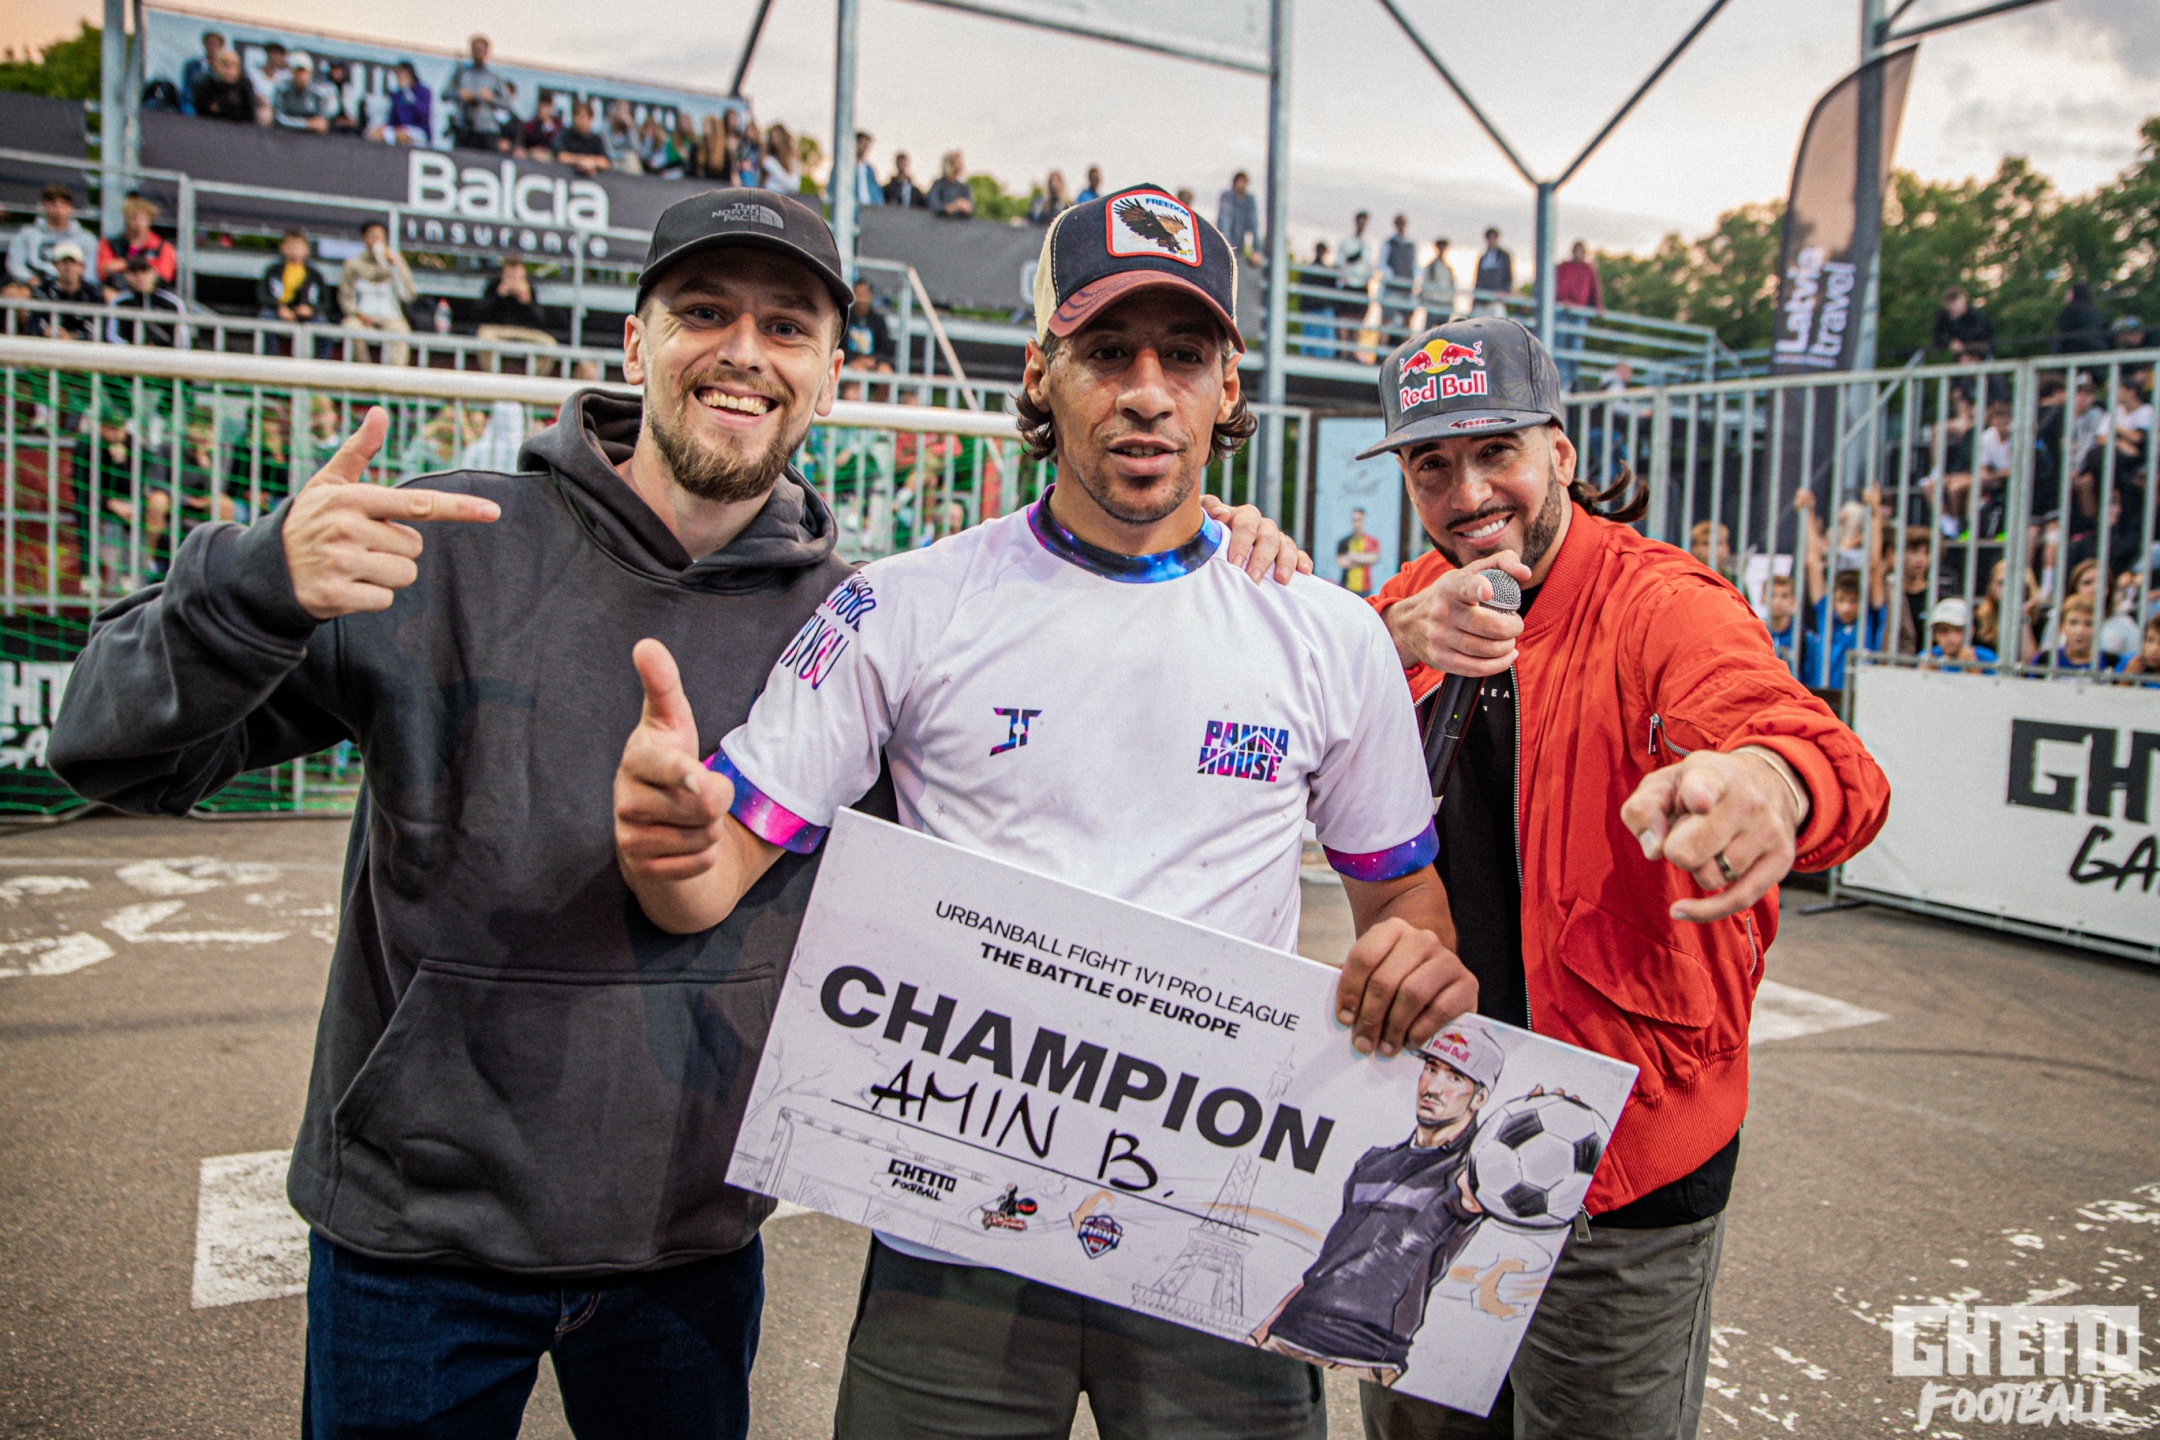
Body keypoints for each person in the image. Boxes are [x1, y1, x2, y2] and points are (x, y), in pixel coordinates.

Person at [613, 183, 1469, 1440]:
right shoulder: (904, 606)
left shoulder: (1328, 635)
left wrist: (1416, 959)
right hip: (950, 1239)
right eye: (1107, 352)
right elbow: (710, 872)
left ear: (1227, 388)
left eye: (1184, 357)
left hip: (1219, 1233)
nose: (1146, 392)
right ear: (1041, 375)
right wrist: (670, 840)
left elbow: (1406, 903)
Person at [50, 186, 870, 1440]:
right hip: (413, 1251)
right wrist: (255, 587)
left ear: (832, 376)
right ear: (636, 343)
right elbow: (104, 751)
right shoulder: (440, 545)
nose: (745, 352)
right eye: (705, 312)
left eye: (788, 326)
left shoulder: (858, 627)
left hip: (686, 1242)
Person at [1358, 315, 1891, 1440]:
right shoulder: (1414, 597)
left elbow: (1801, 740)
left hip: (1620, 1166)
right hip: (1430, 1134)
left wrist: (1768, 783)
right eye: (1432, 464)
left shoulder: (1662, 604)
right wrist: (1394, 629)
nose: (1467, 493)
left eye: (1495, 451)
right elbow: (1298, 677)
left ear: (1560, 450)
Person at [1249, 1026, 1501, 1387]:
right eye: (1430, 1068)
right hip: (1290, 1332)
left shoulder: (1471, 1175)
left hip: (1364, 1354)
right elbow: (1328, 1265)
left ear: (1479, 1097)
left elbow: (1483, 1190)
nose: (1432, 1087)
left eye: (1454, 1077)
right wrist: (1262, 1331)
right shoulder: (1373, 1163)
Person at [338, 220, 417, 366]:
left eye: (379, 237)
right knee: (350, 328)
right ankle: (363, 370)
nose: (376, 240)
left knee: (401, 332)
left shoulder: (396, 261)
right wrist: (358, 314)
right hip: (362, 315)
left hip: (391, 317)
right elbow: (345, 297)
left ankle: (394, 374)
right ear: (363, 238)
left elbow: (407, 295)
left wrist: (393, 265)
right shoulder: (353, 264)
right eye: (372, 236)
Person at [7, 184, 96, 288]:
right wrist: (29, 278)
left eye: (63, 204)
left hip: (72, 288)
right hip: (35, 287)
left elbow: (90, 273)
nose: (58, 209)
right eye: (53, 204)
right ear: (44, 206)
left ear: (70, 208)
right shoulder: (27, 234)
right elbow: (15, 265)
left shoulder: (86, 239)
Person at [95, 195, 178, 295]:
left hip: (153, 293)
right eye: (134, 218)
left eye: (143, 219)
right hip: (119, 291)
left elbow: (165, 275)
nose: (138, 223)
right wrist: (142, 264)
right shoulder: (110, 243)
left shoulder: (162, 247)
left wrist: (123, 264)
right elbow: (104, 271)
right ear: (126, 219)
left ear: (149, 221)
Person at [106, 255, 187, 347]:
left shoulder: (173, 303)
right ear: (126, 276)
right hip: (128, 354)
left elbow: (182, 339)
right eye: (134, 273)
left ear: (155, 273)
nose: (140, 277)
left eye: (145, 271)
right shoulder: (118, 302)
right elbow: (112, 336)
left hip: (165, 354)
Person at [448, 34, 511, 152]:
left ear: (487, 52)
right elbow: (445, 94)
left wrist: (491, 98)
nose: (478, 53)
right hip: (464, 127)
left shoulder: (493, 77)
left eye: (481, 50)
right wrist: (459, 94)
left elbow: (506, 103)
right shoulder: (462, 73)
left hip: (486, 130)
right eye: (475, 50)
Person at [29, 242, 100, 341]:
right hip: (49, 344)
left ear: (82, 267)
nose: (68, 268)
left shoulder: (93, 294)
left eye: (73, 263)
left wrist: (73, 337)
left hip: (83, 348)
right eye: (63, 263)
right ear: (55, 265)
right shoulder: (43, 291)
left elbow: (98, 329)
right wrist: (47, 331)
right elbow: (33, 324)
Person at [257, 228, 326, 329]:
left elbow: (325, 301)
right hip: (279, 311)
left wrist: (311, 309)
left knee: (320, 321)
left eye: (298, 246)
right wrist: (279, 307)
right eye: (290, 246)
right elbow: (263, 294)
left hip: (306, 314)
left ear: (307, 249)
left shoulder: (314, 275)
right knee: (267, 316)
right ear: (282, 247)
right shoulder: (274, 271)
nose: (294, 250)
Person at [475, 257, 552, 345]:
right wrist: (498, 295)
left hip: (524, 332)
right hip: (499, 330)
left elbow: (541, 320)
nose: (515, 281)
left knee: (548, 342)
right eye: (511, 276)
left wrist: (528, 302)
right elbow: (480, 315)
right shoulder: (493, 287)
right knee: (484, 336)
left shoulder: (529, 289)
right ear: (503, 275)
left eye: (519, 277)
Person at [267, 52, 336, 134]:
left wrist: (313, 124)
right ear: (291, 72)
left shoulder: (321, 93)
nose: (300, 75)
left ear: (310, 72)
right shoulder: (282, 89)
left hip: (314, 137)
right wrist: (306, 124)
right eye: (297, 71)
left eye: (303, 71)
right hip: (285, 134)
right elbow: (279, 118)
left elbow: (321, 123)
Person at [367, 60, 432, 145]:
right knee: (375, 133)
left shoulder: (423, 92)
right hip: (399, 129)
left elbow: (423, 114)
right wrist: (386, 128)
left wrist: (408, 93)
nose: (399, 78)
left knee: (402, 135)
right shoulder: (396, 94)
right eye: (398, 75)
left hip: (418, 130)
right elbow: (393, 118)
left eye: (403, 75)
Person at [1920, 597, 1995, 668]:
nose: (1951, 638)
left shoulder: (1986, 658)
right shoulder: (1925, 657)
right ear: (1934, 634)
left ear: (1971, 631)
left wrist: (1973, 671)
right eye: (1943, 631)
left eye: (1958, 630)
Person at [190, 45, 256, 124]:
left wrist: (220, 108)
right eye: (225, 65)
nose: (229, 70)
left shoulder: (245, 84)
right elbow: (203, 111)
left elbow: (249, 115)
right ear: (215, 65)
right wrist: (232, 109)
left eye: (234, 65)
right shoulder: (203, 83)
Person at [843, 277, 894, 373]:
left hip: (874, 362)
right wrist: (854, 359)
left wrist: (875, 360)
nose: (861, 299)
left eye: (864, 294)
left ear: (870, 296)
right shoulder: (845, 318)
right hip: (850, 363)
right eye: (858, 294)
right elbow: (840, 346)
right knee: (858, 372)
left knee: (885, 371)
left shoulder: (878, 321)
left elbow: (885, 349)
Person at [1932, 286, 1994, 362]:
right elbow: (1937, 335)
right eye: (1956, 303)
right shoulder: (1944, 317)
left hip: (1979, 348)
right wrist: (1949, 343)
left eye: (1962, 302)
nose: (1962, 305)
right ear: (1949, 305)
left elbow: (1981, 334)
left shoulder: (1976, 315)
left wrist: (1962, 344)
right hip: (1959, 353)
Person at [1381, 215, 1417, 334]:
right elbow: (1382, 264)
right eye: (1398, 224)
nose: (1401, 226)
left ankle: (1407, 347)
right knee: (1387, 320)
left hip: (1406, 290)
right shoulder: (1388, 243)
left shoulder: (1411, 245)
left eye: (1402, 224)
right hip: (1392, 290)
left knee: (1407, 322)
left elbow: (1414, 266)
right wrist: (1392, 277)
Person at [555, 101, 612, 175]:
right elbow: (560, 156)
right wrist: (580, 161)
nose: (579, 120)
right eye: (576, 116)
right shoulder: (565, 134)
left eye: (583, 117)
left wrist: (591, 162)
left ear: (590, 119)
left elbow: (605, 162)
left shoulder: (596, 139)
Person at [2049, 594, 2103, 671]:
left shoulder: (2112, 662)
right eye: (2073, 623)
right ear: (2061, 627)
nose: (2080, 631)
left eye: (2088, 624)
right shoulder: (2045, 659)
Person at [2054, 281, 2110, 355]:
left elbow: (2064, 332)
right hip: (2101, 350)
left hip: (2077, 350)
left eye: (2069, 293)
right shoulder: (2097, 312)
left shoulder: (2069, 311)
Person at [1336, 507, 1383, 595]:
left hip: (1365, 588)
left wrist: (1352, 556)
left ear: (1364, 520)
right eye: (1354, 520)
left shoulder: (1371, 540)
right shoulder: (1344, 541)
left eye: (1359, 520)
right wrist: (1364, 559)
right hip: (1346, 587)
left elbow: (1373, 558)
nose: (1357, 524)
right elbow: (1341, 563)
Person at [1217, 170, 1261, 261]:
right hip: (1225, 246)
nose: (1241, 186)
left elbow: (1254, 224)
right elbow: (1225, 223)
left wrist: (1256, 250)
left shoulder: (1249, 200)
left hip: (1239, 247)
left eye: (1243, 183)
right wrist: (1228, 247)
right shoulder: (1227, 197)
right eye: (1239, 182)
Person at [179, 30, 224, 114]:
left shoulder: (223, 69)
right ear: (205, 44)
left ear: (220, 47)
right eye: (210, 43)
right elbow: (187, 87)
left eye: (215, 44)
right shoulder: (192, 65)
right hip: (192, 104)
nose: (212, 47)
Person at [836, 130, 881, 208]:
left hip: (869, 210)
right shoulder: (844, 168)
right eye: (863, 144)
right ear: (855, 144)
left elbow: (877, 193)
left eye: (867, 146)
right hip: (850, 209)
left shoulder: (870, 170)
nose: (865, 148)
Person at [513, 95, 565, 162]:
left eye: (546, 107)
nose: (543, 110)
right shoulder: (531, 126)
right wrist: (529, 152)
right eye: (541, 107)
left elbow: (559, 149)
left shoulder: (559, 127)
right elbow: (522, 143)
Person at [1473, 229, 1513, 315]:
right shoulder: (1483, 258)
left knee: (1497, 319)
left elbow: (1508, 276)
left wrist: (1505, 290)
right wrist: (1475, 300)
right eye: (1489, 238)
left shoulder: (1504, 256)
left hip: (1497, 300)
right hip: (1482, 301)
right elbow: (1478, 279)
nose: (1491, 240)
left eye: (1494, 238)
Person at [1418, 239, 1455, 324]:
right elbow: (1426, 283)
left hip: (1445, 304)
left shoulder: (1448, 268)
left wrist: (1451, 301)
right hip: (1433, 303)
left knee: (1443, 330)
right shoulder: (1431, 267)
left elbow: (1451, 286)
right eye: (1440, 247)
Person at [927, 150, 973, 217]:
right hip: (941, 222)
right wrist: (955, 206)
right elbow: (934, 206)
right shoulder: (938, 185)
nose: (961, 166)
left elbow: (969, 208)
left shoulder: (964, 188)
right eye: (958, 163)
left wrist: (965, 207)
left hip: (959, 222)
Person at [760, 124, 800, 193]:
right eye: (772, 138)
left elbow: (794, 186)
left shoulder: (791, 159)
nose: (774, 142)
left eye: (777, 138)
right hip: (769, 195)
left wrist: (771, 164)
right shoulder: (766, 159)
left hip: (785, 197)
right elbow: (765, 184)